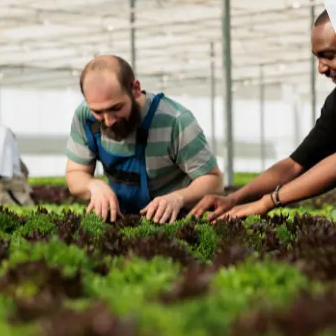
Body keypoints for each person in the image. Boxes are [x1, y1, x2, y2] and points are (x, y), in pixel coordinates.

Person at [188, 10, 336, 222]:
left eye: (329, 56)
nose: (321, 68)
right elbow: (293, 165)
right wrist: (233, 199)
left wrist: (267, 202)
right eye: (318, 57)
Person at [64, 55, 223, 223]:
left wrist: (178, 198)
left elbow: (214, 181)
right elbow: (75, 173)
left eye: (116, 108)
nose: (109, 120)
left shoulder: (175, 121)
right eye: (98, 112)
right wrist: (93, 185)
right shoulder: (85, 118)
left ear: (135, 89)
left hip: (175, 223)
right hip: (120, 220)